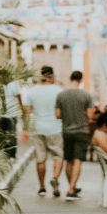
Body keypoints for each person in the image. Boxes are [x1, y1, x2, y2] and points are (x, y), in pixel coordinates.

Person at [22, 65, 64, 197]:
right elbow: (61, 111)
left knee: (40, 159)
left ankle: (41, 187)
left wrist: (25, 129)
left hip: (38, 128)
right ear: (51, 76)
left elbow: (27, 112)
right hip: (55, 128)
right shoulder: (59, 91)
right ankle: (55, 178)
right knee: (58, 156)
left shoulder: (32, 92)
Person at [55, 70, 95, 200]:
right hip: (82, 131)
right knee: (78, 160)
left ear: (70, 78)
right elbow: (90, 116)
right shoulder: (86, 95)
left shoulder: (61, 95)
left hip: (67, 131)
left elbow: (57, 114)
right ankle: (71, 189)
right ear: (81, 80)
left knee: (69, 160)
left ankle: (72, 186)